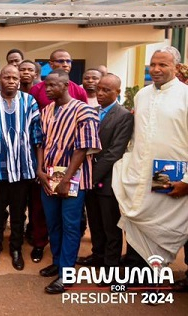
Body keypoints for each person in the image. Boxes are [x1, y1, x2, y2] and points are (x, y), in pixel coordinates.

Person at [112, 46, 188, 275]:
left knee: (172, 224)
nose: (155, 69)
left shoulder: (185, 95)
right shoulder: (142, 95)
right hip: (144, 172)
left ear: (176, 67)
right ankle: (141, 272)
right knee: (141, 219)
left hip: (176, 174)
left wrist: (187, 180)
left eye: (162, 65)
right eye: (152, 65)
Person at [36, 69, 100, 294]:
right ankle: (58, 261)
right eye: (46, 85)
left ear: (65, 85)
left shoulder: (85, 111)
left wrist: (66, 179)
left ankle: (66, 274)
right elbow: (40, 143)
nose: (48, 89)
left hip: (74, 178)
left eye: (52, 85)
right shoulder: (46, 111)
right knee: (53, 222)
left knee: (70, 225)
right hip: (49, 175)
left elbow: (83, 148)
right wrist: (40, 170)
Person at [0, 65, 42, 271]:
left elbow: (37, 136)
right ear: (0, 79)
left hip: (23, 167)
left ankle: (16, 248)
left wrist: (37, 166)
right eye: (7, 77)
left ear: (20, 80)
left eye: (14, 78)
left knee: (19, 212)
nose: (11, 81)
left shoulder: (29, 101)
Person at [76, 74, 133, 270]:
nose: (100, 93)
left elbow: (113, 153)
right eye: (99, 88)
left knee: (111, 227)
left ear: (117, 92)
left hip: (106, 180)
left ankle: (111, 265)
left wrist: (91, 177)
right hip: (88, 179)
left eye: (106, 90)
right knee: (95, 223)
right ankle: (97, 256)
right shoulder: (92, 111)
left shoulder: (124, 116)